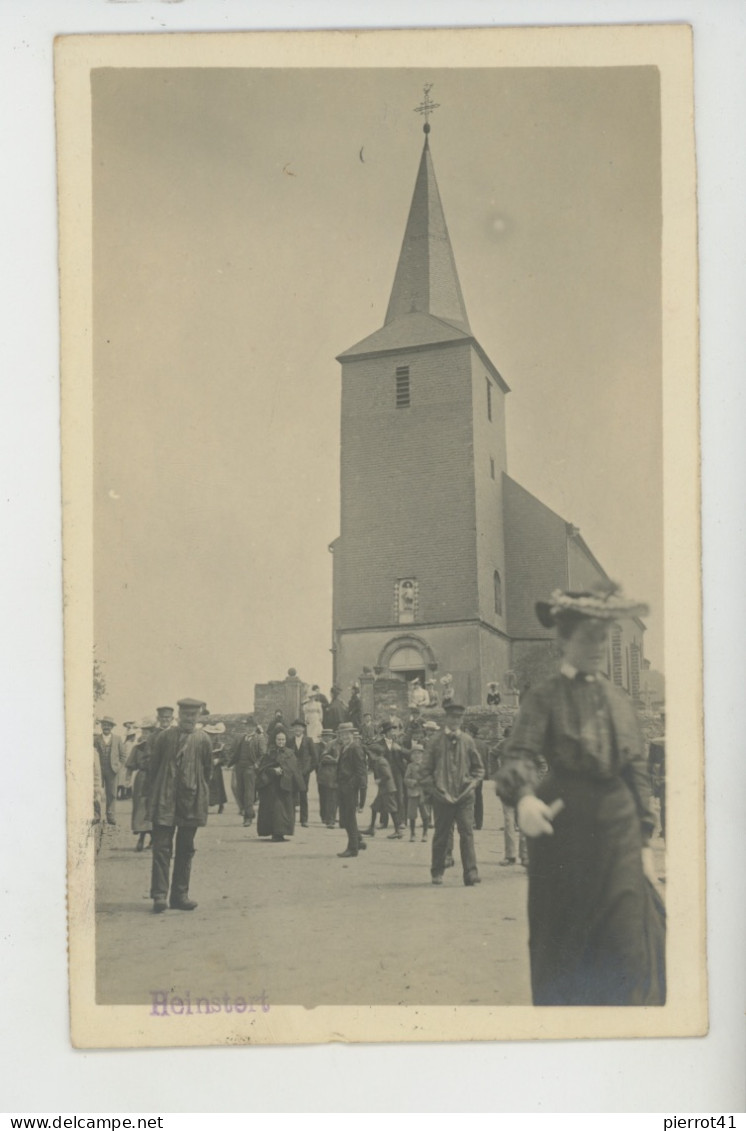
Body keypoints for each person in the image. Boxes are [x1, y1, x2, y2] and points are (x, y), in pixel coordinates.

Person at [496, 585, 665, 1006]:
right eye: (589, 638)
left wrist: (645, 842)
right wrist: (524, 800)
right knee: (566, 946)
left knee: (627, 945)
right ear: (564, 640)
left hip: (620, 835)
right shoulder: (545, 697)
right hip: (563, 835)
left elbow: (636, 770)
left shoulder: (618, 700)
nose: (598, 648)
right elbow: (518, 755)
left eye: (604, 638)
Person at [147, 698, 213, 913]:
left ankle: (180, 895)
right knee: (161, 848)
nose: (189, 719)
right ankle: (159, 896)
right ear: (179, 715)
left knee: (186, 848)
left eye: (193, 716)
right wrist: (153, 796)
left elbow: (207, 771)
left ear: (198, 717)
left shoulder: (203, 740)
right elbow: (153, 767)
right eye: (185, 715)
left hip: (190, 801)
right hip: (165, 799)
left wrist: (195, 788)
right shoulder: (165, 737)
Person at [420, 703, 484, 886]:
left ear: (462, 720)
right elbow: (424, 772)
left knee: (467, 833)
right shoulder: (435, 741)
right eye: (452, 717)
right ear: (445, 719)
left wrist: (472, 785)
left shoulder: (468, 741)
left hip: (464, 797)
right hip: (442, 797)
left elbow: (479, 769)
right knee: (441, 834)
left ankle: (471, 873)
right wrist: (435, 791)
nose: (455, 721)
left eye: (458, 718)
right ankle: (437, 871)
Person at [256, 730, 305, 842]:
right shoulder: (269, 753)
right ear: (275, 740)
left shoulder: (290, 753)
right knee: (274, 809)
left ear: (286, 740)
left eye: (283, 739)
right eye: (279, 739)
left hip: (286, 786)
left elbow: (294, 769)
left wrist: (284, 771)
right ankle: (275, 833)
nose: (281, 742)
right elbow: (262, 768)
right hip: (272, 786)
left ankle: (282, 833)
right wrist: (273, 770)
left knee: (285, 810)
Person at [335, 722, 368, 858]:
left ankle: (353, 848)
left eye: (347, 734)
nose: (344, 737)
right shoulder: (345, 747)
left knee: (349, 818)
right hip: (342, 786)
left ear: (352, 734)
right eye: (342, 734)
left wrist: (351, 786)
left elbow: (360, 771)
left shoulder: (355, 748)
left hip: (349, 788)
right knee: (346, 817)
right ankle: (358, 840)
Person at [227, 718, 266, 827]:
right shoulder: (241, 738)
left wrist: (257, 764)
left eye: (251, 726)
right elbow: (233, 750)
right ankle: (248, 811)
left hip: (250, 767)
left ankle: (248, 817)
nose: (248, 728)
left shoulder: (259, 739)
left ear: (255, 728)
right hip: (239, 766)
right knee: (239, 790)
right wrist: (232, 761)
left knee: (249, 793)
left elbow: (263, 754)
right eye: (247, 726)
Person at [126, 716, 157, 851]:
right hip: (142, 778)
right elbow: (130, 765)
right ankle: (141, 838)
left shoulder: (159, 747)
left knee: (153, 808)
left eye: (148, 732)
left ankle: (153, 839)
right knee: (141, 807)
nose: (145, 735)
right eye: (144, 732)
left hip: (155, 779)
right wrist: (127, 781)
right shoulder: (138, 748)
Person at [94, 717, 127, 826]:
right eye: (104, 725)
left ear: (112, 727)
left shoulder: (117, 739)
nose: (106, 727)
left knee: (112, 793)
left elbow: (123, 755)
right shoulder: (96, 739)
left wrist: (118, 767)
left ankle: (110, 815)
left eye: (109, 725)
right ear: (101, 726)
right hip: (99, 769)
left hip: (112, 770)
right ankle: (96, 814)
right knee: (96, 792)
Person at [362, 749, 401, 838]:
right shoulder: (379, 761)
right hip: (384, 789)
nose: (370, 755)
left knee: (392, 809)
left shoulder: (381, 762)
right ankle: (371, 829)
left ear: (374, 753)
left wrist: (380, 780)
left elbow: (387, 775)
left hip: (387, 789)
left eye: (370, 753)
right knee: (374, 807)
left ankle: (398, 831)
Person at [289, 719, 317, 827]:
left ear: (303, 729)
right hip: (292, 772)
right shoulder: (289, 741)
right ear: (293, 729)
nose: (297, 729)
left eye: (300, 727)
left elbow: (315, 758)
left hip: (304, 773)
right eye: (295, 727)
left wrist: (308, 770)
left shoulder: (308, 741)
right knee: (291, 794)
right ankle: (291, 819)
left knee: (303, 795)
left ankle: (304, 820)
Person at [464, 721, 488, 831]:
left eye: (467, 731)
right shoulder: (483, 744)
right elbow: (486, 759)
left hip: (468, 773)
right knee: (478, 797)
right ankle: (479, 823)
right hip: (479, 774)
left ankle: (469, 821)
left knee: (468, 797)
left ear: (471, 732)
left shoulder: (466, 742)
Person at [404, 744, 430, 842]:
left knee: (425, 814)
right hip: (413, 792)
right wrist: (412, 782)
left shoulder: (426, 765)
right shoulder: (410, 766)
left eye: (419, 753)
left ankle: (425, 833)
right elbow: (406, 779)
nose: (417, 756)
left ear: (422, 755)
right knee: (412, 814)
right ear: (411, 756)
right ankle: (413, 833)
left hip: (424, 793)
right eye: (414, 754)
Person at [316, 729, 339, 828]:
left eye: (330, 735)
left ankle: (332, 818)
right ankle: (328, 818)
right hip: (328, 775)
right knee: (328, 798)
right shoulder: (330, 745)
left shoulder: (348, 744)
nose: (328, 737)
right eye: (326, 735)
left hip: (339, 775)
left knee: (334, 798)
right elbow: (322, 758)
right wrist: (335, 760)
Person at [648, 713, 666, 839]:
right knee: (664, 806)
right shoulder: (656, 743)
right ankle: (665, 830)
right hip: (663, 779)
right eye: (664, 719)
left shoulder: (656, 743)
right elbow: (651, 764)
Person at [204, 723, 228, 814]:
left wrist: (218, 760)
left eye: (213, 735)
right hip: (206, 768)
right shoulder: (204, 744)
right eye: (210, 735)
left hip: (216, 769)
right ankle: (206, 804)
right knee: (207, 786)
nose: (212, 737)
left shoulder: (220, 745)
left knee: (218, 786)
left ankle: (221, 804)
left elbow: (226, 758)